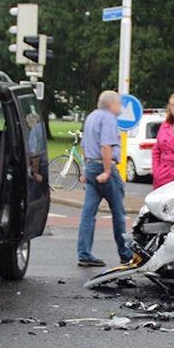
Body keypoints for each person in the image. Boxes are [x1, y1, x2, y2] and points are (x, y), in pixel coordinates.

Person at [76, 90, 132, 268]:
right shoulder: (108, 118)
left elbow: (84, 144)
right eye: (118, 103)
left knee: (88, 213)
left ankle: (84, 253)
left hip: (91, 166)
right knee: (118, 212)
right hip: (103, 167)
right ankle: (125, 253)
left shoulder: (91, 116)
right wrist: (108, 171)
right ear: (111, 104)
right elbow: (106, 145)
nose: (120, 107)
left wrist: (85, 170)